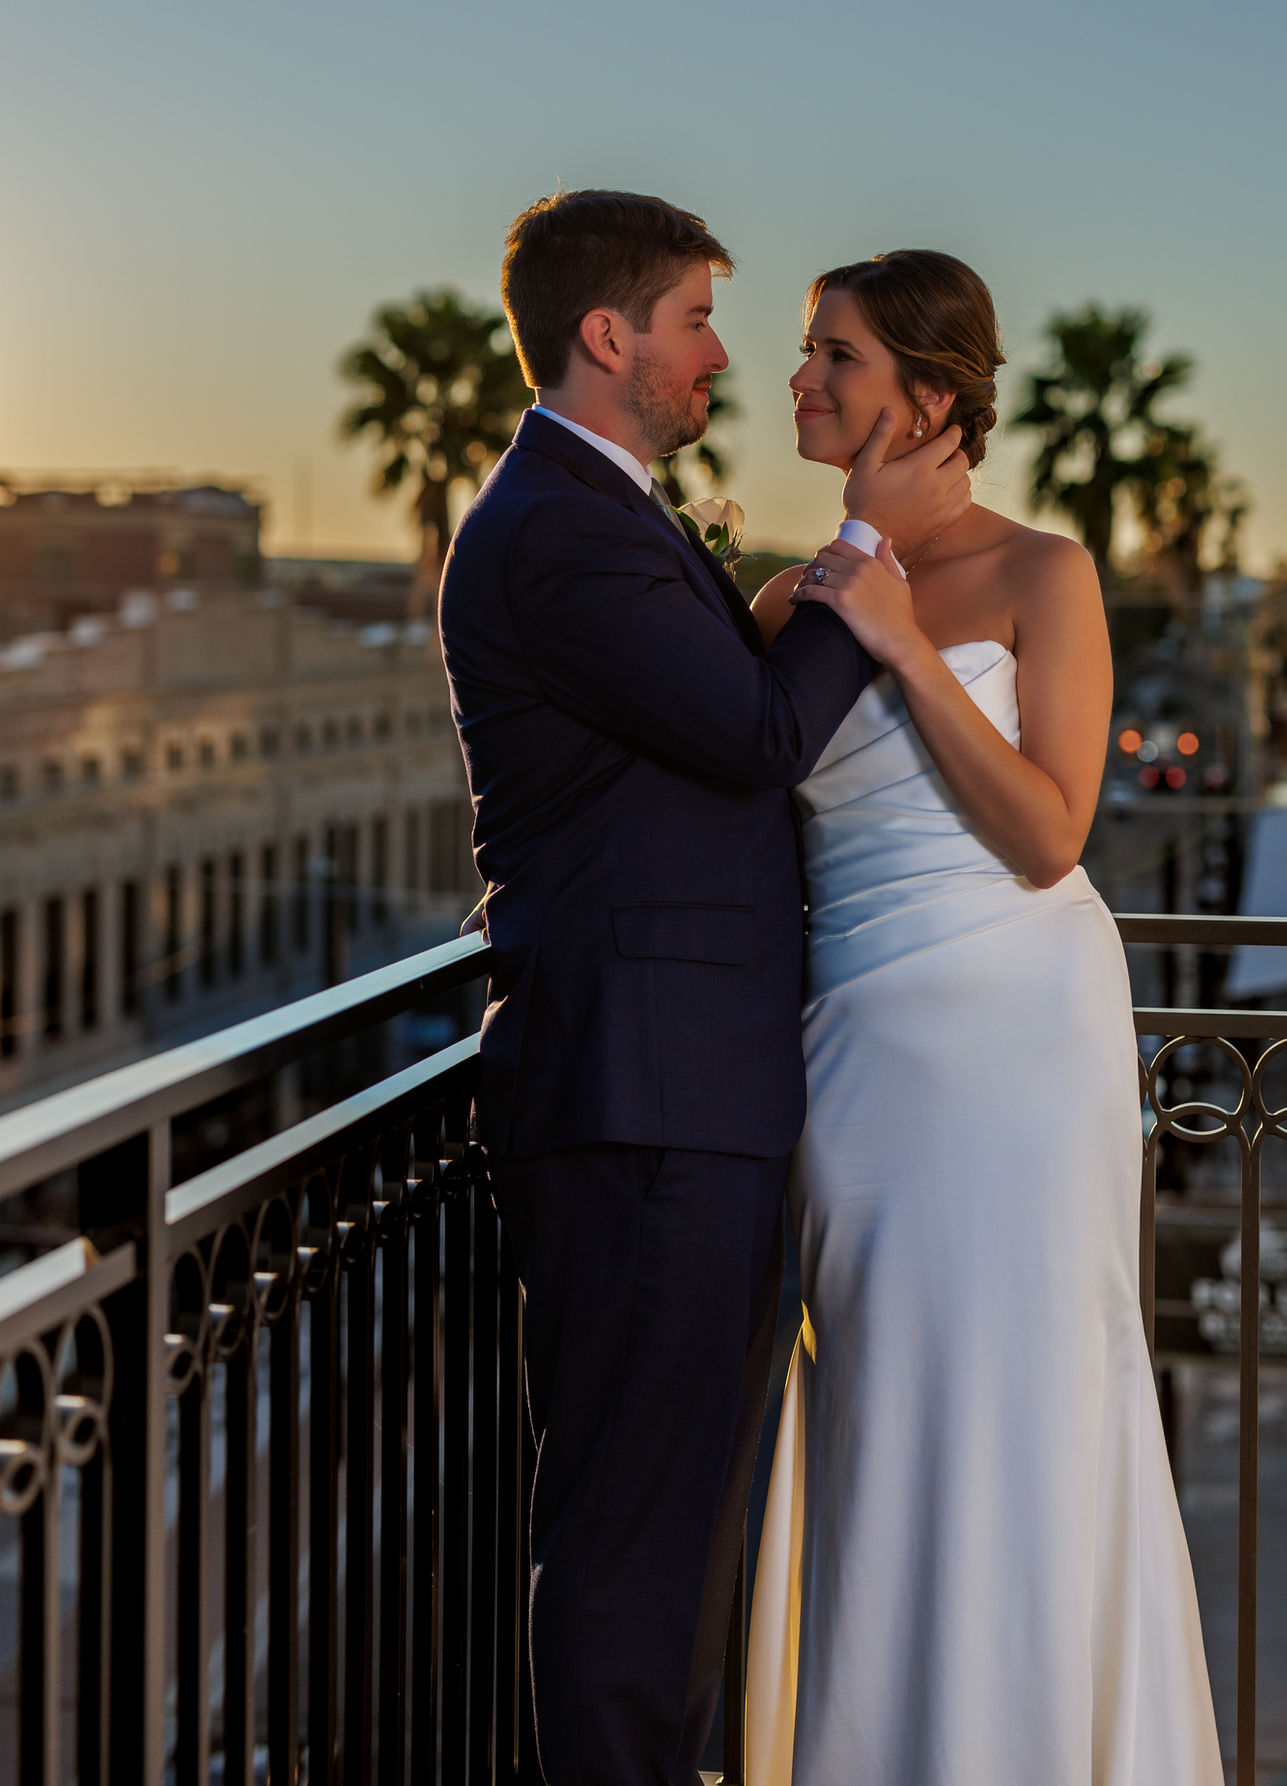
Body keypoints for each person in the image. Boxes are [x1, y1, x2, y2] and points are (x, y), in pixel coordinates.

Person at [437, 194, 972, 1786]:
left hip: (688, 1089)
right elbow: (754, 735)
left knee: (671, 1536)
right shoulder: (555, 528)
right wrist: (864, 545)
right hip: (642, 1093)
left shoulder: (609, 513)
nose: (720, 357)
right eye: (693, 321)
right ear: (610, 337)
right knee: (629, 1545)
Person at [743, 250, 1224, 1786]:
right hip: (855, 1065)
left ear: (927, 396)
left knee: (1030, 1403)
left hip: (1024, 1051)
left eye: (836, 356)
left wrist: (895, 636)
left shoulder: (1044, 576)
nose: (801, 378)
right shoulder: (772, 603)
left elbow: (1048, 831)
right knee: (887, 1402)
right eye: (805, 351)